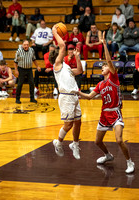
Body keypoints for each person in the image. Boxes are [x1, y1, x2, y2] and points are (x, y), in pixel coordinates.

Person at [79, 31, 135, 174]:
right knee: (97, 142)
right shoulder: (100, 85)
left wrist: (104, 44)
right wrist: (76, 92)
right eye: (102, 67)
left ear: (109, 70)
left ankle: (130, 162)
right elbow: (90, 97)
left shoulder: (114, 79)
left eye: (103, 67)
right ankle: (108, 155)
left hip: (115, 113)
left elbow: (109, 61)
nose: (102, 68)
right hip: (104, 114)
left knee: (119, 140)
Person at [50, 25, 83, 159]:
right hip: (66, 97)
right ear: (57, 57)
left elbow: (79, 71)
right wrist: (54, 32)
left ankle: (75, 144)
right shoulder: (57, 65)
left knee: (78, 122)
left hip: (74, 96)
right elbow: (62, 45)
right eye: (61, 53)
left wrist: (77, 57)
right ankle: (58, 142)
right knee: (68, 124)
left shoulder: (66, 67)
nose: (63, 53)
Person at [14, 40, 41, 104]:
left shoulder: (31, 50)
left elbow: (34, 59)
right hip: (21, 69)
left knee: (32, 83)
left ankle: (32, 98)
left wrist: (37, 66)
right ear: (22, 45)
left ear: (29, 45)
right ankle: (17, 99)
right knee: (20, 84)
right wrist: (16, 70)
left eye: (27, 45)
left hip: (29, 69)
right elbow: (15, 62)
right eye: (24, 45)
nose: (26, 46)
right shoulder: (19, 51)